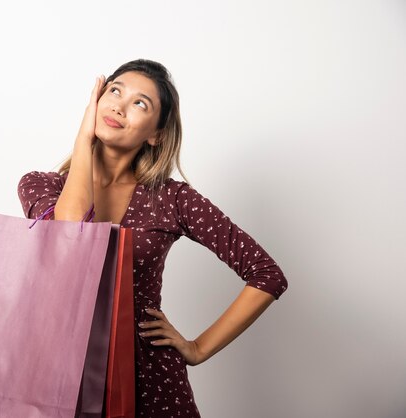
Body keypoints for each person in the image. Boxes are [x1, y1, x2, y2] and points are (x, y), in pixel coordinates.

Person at [17, 59, 288, 417]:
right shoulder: (42, 185)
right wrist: (83, 139)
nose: (119, 105)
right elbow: (71, 232)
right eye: (114, 91)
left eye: (140, 103)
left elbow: (266, 274)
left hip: (149, 376)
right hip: (62, 366)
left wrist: (198, 348)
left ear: (156, 134)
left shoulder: (173, 198)